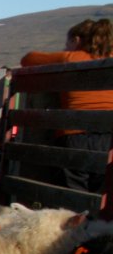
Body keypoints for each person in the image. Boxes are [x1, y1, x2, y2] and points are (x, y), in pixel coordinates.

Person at [20, 18, 113, 194]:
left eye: (67, 43)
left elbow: (28, 59)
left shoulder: (71, 57)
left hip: (74, 136)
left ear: (77, 40)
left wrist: (65, 54)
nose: (65, 47)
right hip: (109, 137)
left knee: (72, 198)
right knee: (101, 196)